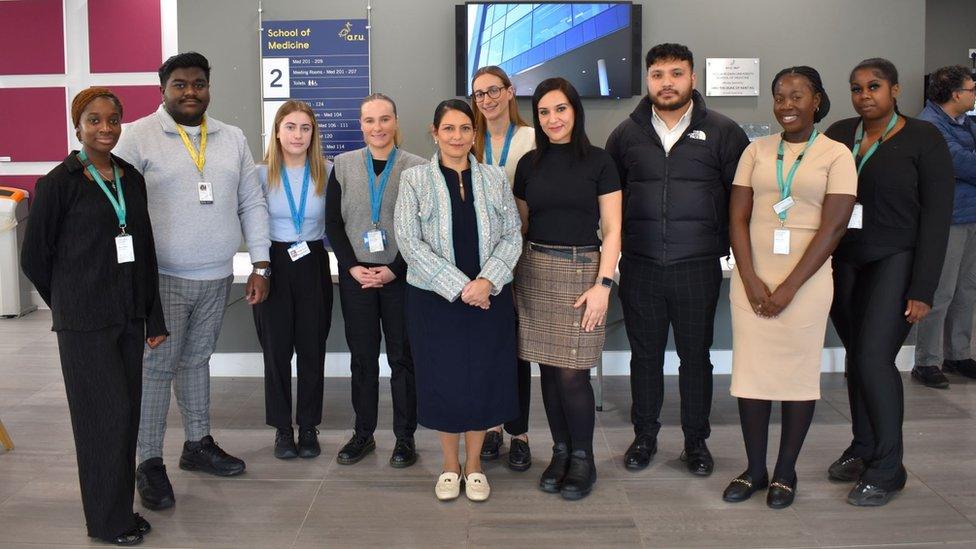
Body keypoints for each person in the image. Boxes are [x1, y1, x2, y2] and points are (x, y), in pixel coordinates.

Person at [114, 52, 271, 510]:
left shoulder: (231, 137)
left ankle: (197, 444)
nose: (190, 92)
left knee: (197, 360)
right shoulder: (136, 137)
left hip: (218, 274)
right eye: (179, 84)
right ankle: (148, 462)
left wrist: (259, 264)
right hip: (160, 278)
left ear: (208, 86)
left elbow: (251, 202)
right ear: (162, 88)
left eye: (198, 83)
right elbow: (116, 208)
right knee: (158, 368)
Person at [21, 87, 168, 545]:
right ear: (77, 125)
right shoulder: (57, 184)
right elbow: (34, 258)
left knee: (125, 417)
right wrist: (66, 301)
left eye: (112, 119)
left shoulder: (130, 178)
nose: (105, 128)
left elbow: (144, 251)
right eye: (94, 120)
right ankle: (106, 524)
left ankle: (118, 509)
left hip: (129, 317)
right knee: (100, 420)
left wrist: (154, 317)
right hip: (84, 324)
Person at [605, 43, 750, 475]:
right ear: (647, 80)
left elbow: (742, 201)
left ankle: (695, 443)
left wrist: (727, 249)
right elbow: (609, 200)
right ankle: (644, 437)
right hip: (642, 265)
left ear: (692, 78)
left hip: (697, 266)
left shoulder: (724, 131)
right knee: (644, 356)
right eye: (657, 74)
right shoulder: (625, 135)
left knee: (695, 356)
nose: (666, 82)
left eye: (676, 73)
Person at [722, 67, 857, 509]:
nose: (786, 105)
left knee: (798, 378)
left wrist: (788, 289)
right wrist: (751, 279)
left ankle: (785, 471)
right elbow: (737, 218)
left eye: (797, 96)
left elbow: (834, 227)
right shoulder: (756, 151)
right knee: (752, 377)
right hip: (752, 280)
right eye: (780, 97)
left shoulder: (837, 155)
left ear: (817, 99)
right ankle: (755, 468)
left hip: (808, 284)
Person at [825, 58, 953, 506]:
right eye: (856, 88)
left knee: (875, 359)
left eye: (874, 87)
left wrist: (923, 289)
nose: (864, 96)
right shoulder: (840, 134)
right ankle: (863, 448)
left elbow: (937, 219)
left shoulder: (925, 138)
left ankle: (888, 466)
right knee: (857, 360)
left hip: (896, 261)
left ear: (895, 90)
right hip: (845, 264)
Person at [394, 99, 522, 502]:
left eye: (465, 128)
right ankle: (450, 467)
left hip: (489, 296)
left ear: (474, 133)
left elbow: (512, 235)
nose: (457, 137)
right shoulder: (414, 180)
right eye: (448, 129)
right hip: (435, 300)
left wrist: (486, 282)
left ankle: (476, 466)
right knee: (443, 379)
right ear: (435, 133)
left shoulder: (495, 178)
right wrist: (460, 287)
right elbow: (409, 243)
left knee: (482, 378)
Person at [514, 77, 622, 500]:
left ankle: (583, 459)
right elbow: (520, 228)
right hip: (534, 271)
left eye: (560, 109)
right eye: (544, 112)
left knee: (573, 375)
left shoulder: (600, 162)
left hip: (583, 274)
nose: (553, 118)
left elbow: (613, 229)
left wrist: (604, 284)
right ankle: (559, 453)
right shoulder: (528, 165)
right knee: (546, 370)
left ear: (575, 110)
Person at [325, 93, 425, 467]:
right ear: (360, 124)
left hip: (401, 275)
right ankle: (363, 434)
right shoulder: (344, 165)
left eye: (384, 119)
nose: (377, 127)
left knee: (403, 358)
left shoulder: (417, 167)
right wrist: (351, 267)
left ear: (396, 122)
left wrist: (394, 269)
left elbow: (420, 225)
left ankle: (405, 438)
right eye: (369, 120)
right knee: (362, 358)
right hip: (357, 277)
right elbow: (333, 223)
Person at [253, 100, 332, 459]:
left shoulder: (327, 173)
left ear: (313, 133)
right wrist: (260, 267)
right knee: (277, 351)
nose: (298, 135)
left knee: (312, 350)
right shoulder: (259, 173)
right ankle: (283, 429)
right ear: (278, 131)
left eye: (305, 128)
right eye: (290, 127)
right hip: (274, 264)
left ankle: (309, 426)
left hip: (312, 260)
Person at [470, 65, 536, 470]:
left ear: (510, 92)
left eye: (494, 90)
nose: (487, 99)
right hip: (476, 262)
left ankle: (520, 431)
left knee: (517, 349)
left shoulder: (531, 138)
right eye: (479, 94)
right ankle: (491, 426)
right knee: (484, 347)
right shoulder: (468, 138)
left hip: (523, 255)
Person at [911, 65, 976, 388]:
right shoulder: (929, 126)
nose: (974, 94)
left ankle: (958, 354)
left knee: (967, 290)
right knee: (941, 292)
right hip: (946, 221)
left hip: (971, 216)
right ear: (955, 94)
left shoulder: (967, 124)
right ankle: (927, 361)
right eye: (971, 89)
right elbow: (964, 164)